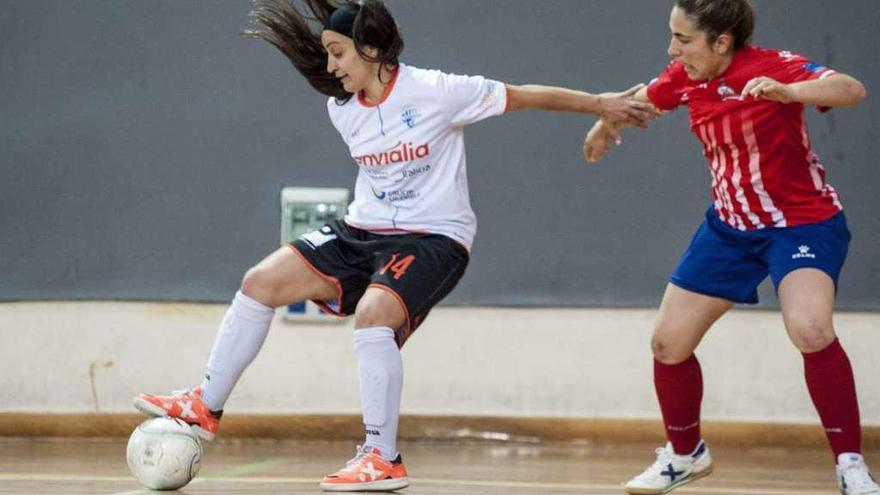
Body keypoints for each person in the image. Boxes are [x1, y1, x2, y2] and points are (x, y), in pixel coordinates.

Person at [134, 0, 657, 492]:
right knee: (260, 282)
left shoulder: (437, 90)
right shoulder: (343, 109)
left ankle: (381, 455)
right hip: (363, 231)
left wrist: (601, 105)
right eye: (328, 53)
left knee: (373, 314)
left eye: (338, 52)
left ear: (372, 49)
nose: (331, 64)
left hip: (435, 237)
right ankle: (205, 405)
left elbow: (523, 95)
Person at [583, 1, 876, 494]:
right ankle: (685, 455)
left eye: (684, 39)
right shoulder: (685, 75)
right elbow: (646, 96)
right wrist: (605, 121)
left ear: (722, 42)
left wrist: (790, 91)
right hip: (730, 229)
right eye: (672, 36)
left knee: (810, 329)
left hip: (800, 224)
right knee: (667, 345)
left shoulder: (772, 67)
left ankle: (850, 465)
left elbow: (851, 89)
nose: (673, 49)